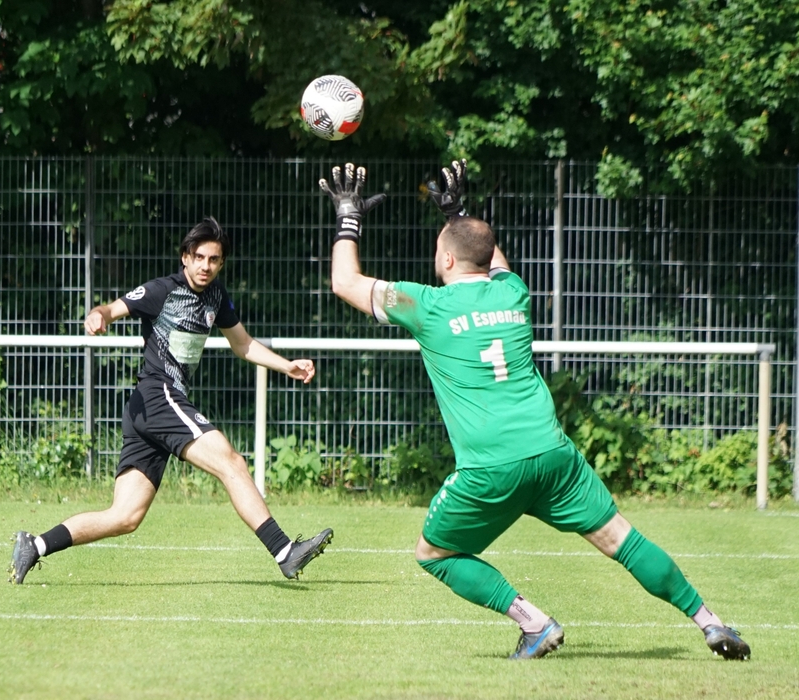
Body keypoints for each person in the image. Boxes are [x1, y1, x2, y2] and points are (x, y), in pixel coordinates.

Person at [321, 161, 750, 661]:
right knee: (622, 538)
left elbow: (344, 282)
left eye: (441, 247)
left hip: (491, 466)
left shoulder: (427, 306)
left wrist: (348, 216)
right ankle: (710, 623)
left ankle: (534, 622)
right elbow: (491, 258)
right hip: (552, 453)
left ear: (448, 260)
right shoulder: (514, 293)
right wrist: (458, 214)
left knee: (433, 553)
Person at [9, 217, 333, 584]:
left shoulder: (216, 296)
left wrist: (286, 366)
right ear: (185, 257)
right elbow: (111, 309)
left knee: (125, 517)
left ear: (221, 263)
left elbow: (242, 344)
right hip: (158, 396)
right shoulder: (162, 291)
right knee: (231, 462)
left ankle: (34, 545)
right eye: (199, 257)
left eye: (214, 259)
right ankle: (284, 552)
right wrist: (98, 317)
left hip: (148, 409)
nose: (205, 266)